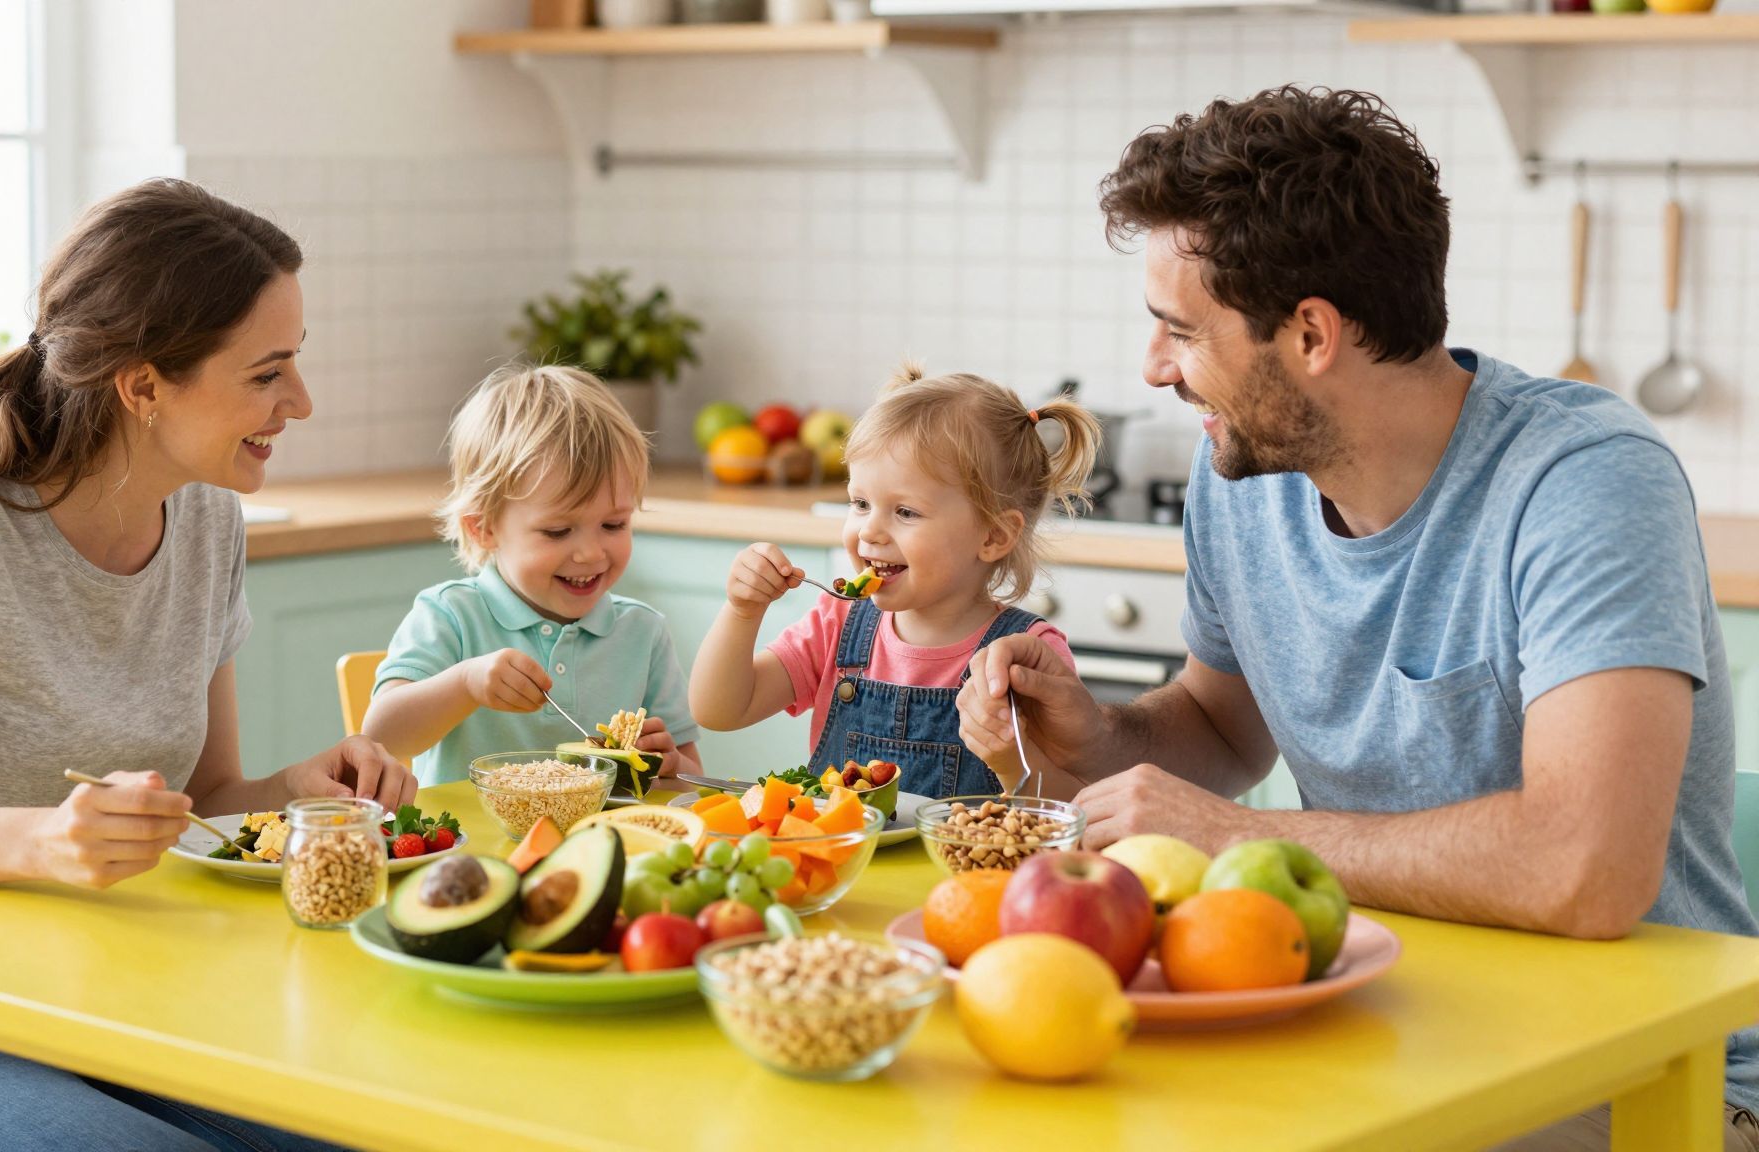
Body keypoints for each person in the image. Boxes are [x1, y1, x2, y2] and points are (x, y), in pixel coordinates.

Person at [957, 86, 1758, 1148]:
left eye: (1177, 331)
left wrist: (1238, 836)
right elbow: (1219, 726)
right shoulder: (1238, 474)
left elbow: (1583, 871)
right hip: (1364, 1020)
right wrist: (1092, 741)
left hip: (1639, 1073)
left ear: (1310, 334)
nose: (1152, 368)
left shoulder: (1581, 481)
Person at [0, 178, 410, 1152]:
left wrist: (295, 788)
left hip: (120, 1009)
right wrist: (40, 842)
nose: (301, 402)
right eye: (265, 373)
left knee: (383, 1128)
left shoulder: (205, 518)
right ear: (145, 384)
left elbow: (204, 795)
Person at [690, 364, 1099, 798]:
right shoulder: (838, 623)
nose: (869, 531)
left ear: (994, 536)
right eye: (860, 503)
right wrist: (742, 612)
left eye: (905, 512)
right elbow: (719, 709)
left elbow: (1072, 804)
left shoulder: (1027, 655)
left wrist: (1011, 762)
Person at [362, 363, 700, 785]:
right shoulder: (450, 614)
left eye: (614, 525)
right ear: (482, 528)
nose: (592, 553)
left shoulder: (642, 631)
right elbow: (381, 737)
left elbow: (693, 780)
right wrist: (465, 685)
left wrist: (669, 765)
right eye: (557, 531)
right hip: (472, 849)